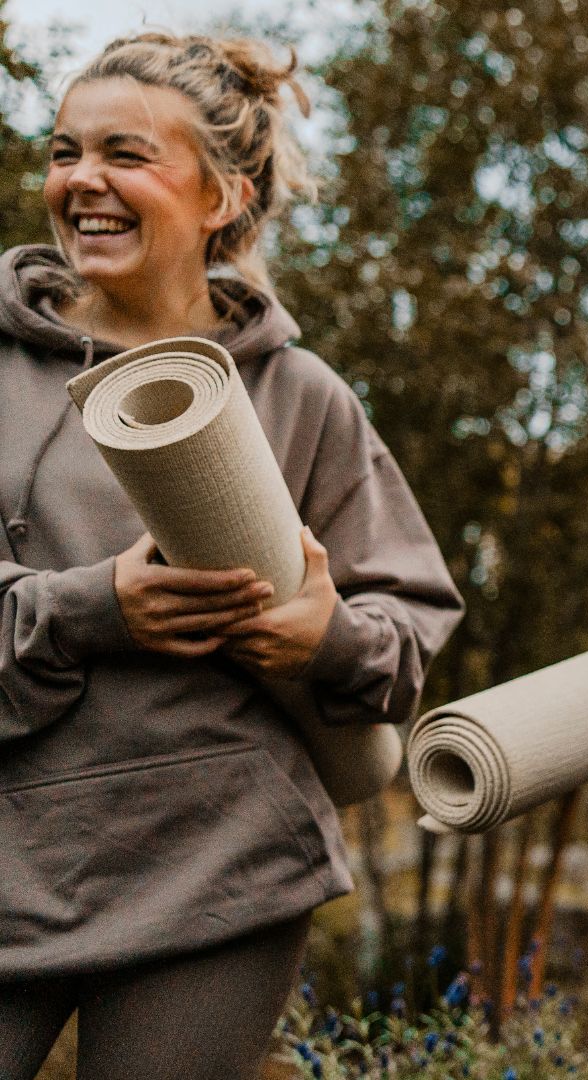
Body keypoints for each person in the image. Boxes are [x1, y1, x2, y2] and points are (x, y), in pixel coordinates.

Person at [0, 32, 462, 1079]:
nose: (81, 182)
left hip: (220, 865)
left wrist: (323, 636)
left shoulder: (303, 398)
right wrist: (90, 608)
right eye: (65, 150)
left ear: (223, 196)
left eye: (125, 154)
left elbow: (407, 630)